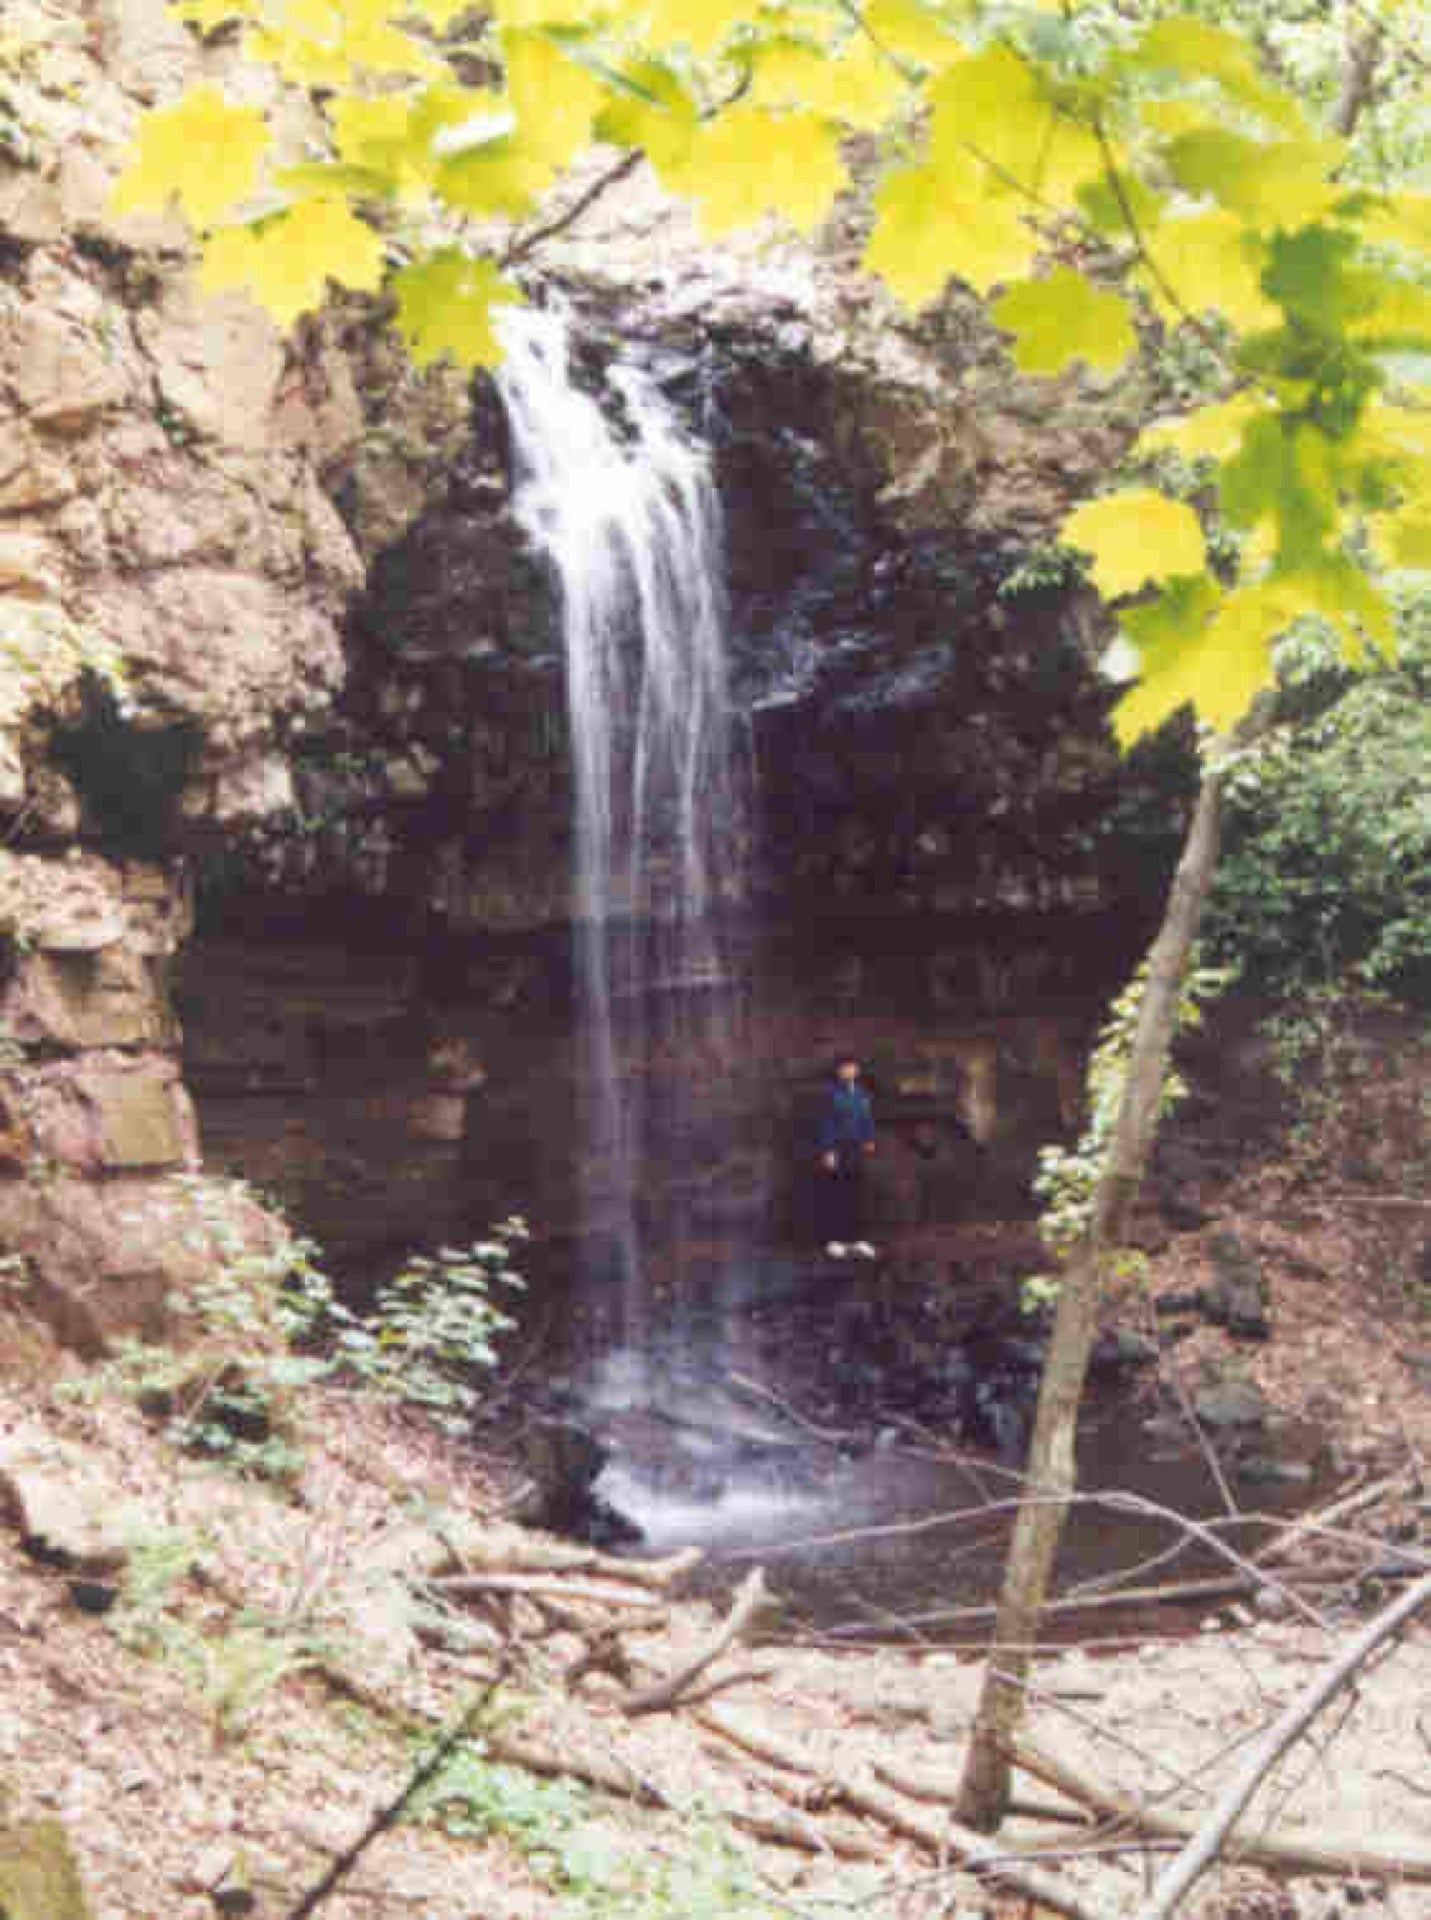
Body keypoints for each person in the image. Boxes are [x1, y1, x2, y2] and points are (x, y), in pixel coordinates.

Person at [815, 1055, 877, 1259]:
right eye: (845, 1068)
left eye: (852, 1068)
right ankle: (835, 1240)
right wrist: (828, 1150)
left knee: (857, 1193)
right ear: (838, 1072)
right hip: (838, 1149)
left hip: (856, 1149)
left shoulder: (861, 1094)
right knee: (837, 1194)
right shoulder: (830, 1095)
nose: (849, 1071)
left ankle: (857, 1240)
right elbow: (827, 1123)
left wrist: (869, 1139)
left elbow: (866, 1119)